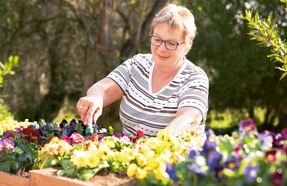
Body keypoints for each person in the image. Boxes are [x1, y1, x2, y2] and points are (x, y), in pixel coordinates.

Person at [76, 3, 209, 142]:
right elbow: (101, 88)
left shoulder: (195, 78)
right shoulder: (137, 64)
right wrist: (96, 98)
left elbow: (188, 118)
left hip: (177, 160)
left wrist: (154, 146)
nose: (162, 48)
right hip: (132, 159)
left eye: (171, 43)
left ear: (187, 45)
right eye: (157, 39)